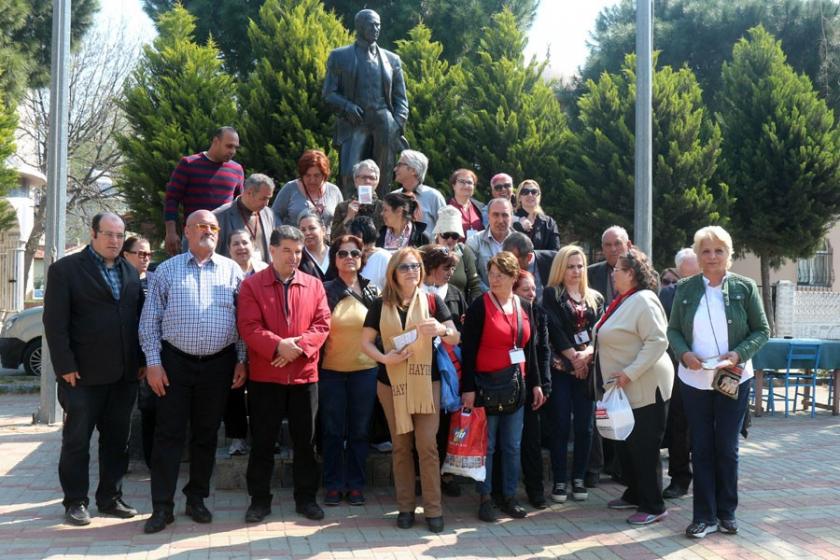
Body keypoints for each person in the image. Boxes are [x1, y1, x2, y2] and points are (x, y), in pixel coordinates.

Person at [140, 210, 248, 534]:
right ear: (186, 232)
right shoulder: (167, 270)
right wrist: (153, 363)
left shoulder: (232, 271)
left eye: (213, 227)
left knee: (205, 435)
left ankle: (197, 499)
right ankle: (162, 507)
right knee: (168, 435)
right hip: (174, 364)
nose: (208, 231)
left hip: (219, 365)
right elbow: (149, 321)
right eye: (200, 226)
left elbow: (242, 323)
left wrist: (241, 359)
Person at [667, 226, 769, 539]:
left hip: (733, 378)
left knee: (726, 447)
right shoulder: (685, 289)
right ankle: (704, 516)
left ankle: (727, 513)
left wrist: (738, 354)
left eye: (718, 251)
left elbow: (762, 330)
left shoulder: (745, 286)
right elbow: (673, 332)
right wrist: (685, 355)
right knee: (701, 447)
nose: (712, 257)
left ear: (728, 254)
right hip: (694, 380)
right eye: (706, 251)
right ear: (698, 256)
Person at [43, 213, 144, 526]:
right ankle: (75, 501)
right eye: (108, 234)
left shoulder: (130, 272)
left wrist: (140, 362)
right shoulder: (66, 270)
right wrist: (65, 366)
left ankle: (110, 498)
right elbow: (54, 323)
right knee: (77, 440)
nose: (114, 241)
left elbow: (137, 320)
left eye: (119, 235)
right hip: (82, 376)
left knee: (117, 441)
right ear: (93, 234)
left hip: (124, 375)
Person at [360, 248, 460, 534]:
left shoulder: (432, 301)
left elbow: (456, 336)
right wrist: (385, 358)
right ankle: (405, 508)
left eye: (416, 266)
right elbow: (365, 342)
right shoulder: (380, 305)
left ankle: (433, 509)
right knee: (401, 446)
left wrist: (441, 329)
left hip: (427, 384)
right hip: (390, 384)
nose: (412, 271)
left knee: (427, 445)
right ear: (393, 272)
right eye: (405, 267)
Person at [237, 226, 332, 523]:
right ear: (273, 250)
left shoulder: (314, 285)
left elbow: (322, 324)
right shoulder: (252, 285)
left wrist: (299, 347)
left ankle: (306, 498)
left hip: (304, 376)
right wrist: (278, 345)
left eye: (298, 251)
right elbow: (248, 327)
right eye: (287, 250)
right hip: (266, 377)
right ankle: (259, 500)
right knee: (263, 441)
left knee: (306, 441)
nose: (294, 257)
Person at [460, 252, 546, 522]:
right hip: (486, 386)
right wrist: (468, 388)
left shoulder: (524, 305)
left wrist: (536, 384)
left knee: (512, 445)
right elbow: (469, 350)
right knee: (488, 445)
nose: (494, 279)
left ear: (513, 277)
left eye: (500, 274)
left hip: (516, 386)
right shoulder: (479, 305)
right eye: (491, 273)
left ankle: (508, 496)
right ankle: (485, 497)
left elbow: (529, 348)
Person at [594, 248, 673, 526]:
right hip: (624, 389)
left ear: (631, 273)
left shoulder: (644, 300)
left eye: (617, 269)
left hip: (645, 386)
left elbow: (657, 341)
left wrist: (628, 373)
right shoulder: (624, 300)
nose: (612, 272)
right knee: (627, 445)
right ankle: (635, 492)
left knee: (644, 447)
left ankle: (654, 504)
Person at [319, 235, 381, 506]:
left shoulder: (373, 291)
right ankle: (332, 483)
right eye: (343, 253)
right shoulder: (323, 290)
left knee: (359, 430)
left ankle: (355, 484)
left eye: (355, 253)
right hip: (330, 370)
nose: (349, 258)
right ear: (335, 259)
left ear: (362, 258)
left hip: (365, 371)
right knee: (332, 430)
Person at [323, 8, 409, 197]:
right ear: (360, 26)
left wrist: (396, 124)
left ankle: (382, 215)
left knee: (384, 174)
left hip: (384, 121)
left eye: (378, 25)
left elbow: (401, 99)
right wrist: (347, 106)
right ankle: (352, 215)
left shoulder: (392, 59)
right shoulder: (340, 56)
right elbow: (329, 93)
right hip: (354, 121)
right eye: (371, 24)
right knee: (348, 172)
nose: (376, 28)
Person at [541, 245, 603, 504]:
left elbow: (600, 329)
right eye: (570, 266)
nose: (576, 271)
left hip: (587, 368)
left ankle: (578, 477)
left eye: (579, 266)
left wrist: (586, 354)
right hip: (561, 369)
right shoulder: (551, 294)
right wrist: (573, 357)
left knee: (585, 426)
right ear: (560, 268)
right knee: (560, 425)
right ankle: (559, 480)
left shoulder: (595, 297)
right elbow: (553, 329)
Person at [585, 224, 632, 487]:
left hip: (629, 358)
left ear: (628, 244)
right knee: (602, 410)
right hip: (599, 356)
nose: (613, 249)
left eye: (618, 244)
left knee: (625, 412)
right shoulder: (591, 275)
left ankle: (621, 468)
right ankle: (600, 465)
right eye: (608, 245)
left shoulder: (640, 274)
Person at [420, 245, 467, 498]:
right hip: (421, 367)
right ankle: (423, 474)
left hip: (449, 369)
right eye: (445, 267)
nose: (451, 272)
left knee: (447, 421)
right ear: (430, 268)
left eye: (452, 267)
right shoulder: (414, 293)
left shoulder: (456, 293)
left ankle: (445, 473)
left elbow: (460, 332)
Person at [658, 247, 700, 500]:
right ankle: (679, 478)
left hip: (711, 370)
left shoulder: (714, 292)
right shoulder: (667, 295)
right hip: (678, 369)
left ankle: (711, 477)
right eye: (687, 277)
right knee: (678, 426)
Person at [164, 126, 244, 255]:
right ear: (216, 141)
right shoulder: (189, 164)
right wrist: (170, 232)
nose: (233, 151)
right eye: (229, 146)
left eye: (235, 148)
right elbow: (171, 199)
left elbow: (239, 205)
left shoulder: (237, 169)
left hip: (225, 238)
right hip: (196, 235)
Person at [224, 230, 269, 458]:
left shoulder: (265, 270)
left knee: (263, 393)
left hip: (263, 338)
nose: (241, 247)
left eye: (244, 242)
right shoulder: (224, 272)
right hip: (233, 340)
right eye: (235, 244)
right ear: (229, 248)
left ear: (253, 244)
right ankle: (237, 439)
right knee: (234, 390)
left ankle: (266, 437)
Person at [512, 269, 552, 509]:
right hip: (506, 384)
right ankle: (503, 491)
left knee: (532, 441)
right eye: (525, 290)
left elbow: (544, 350)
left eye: (533, 289)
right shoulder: (507, 311)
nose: (531, 294)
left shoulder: (538, 312)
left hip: (532, 384)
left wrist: (543, 384)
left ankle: (535, 490)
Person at [120, 236, 156, 469]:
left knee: (151, 410)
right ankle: (119, 464)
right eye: (140, 254)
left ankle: (153, 461)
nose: (145, 259)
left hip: (152, 357)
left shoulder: (156, 279)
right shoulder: (117, 280)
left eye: (149, 255)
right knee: (121, 414)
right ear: (126, 255)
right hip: (123, 357)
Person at [272, 150, 343, 236]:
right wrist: (283, 234)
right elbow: (274, 214)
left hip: (326, 245)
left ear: (324, 175)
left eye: (317, 175)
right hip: (295, 244)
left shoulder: (334, 191)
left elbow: (340, 220)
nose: (312, 180)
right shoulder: (290, 188)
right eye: (307, 175)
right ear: (301, 175)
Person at [213, 173, 275, 263]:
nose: (266, 204)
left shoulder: (269, 213)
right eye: (263, 198)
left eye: (269, 198)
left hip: (263, 274)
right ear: (249, 192)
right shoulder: (220, 216)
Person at [433, 205, 482, 303]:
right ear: (438, 234)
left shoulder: (464, 252)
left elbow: (475, 286)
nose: (450, 240)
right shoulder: (427, 253)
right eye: (445, 235)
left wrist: (471, 312)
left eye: (455, 236)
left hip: (460, 311)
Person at [467, 198, 515, 291]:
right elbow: (472, 276)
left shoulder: (521, 242)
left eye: (505, 215)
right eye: (495, 215)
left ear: (511, 217)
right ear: (488, 216)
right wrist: (491, 295)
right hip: (484, 299)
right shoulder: (474, 241)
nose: (500, 220)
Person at [392, 150, 446, 232]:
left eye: (399, 165)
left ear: (413, 170)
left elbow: (445, 230)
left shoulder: (434, 197)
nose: (395, 169)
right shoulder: (392, 197)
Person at [331, 159, 385, 237]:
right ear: (355, 181)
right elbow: (334, 239)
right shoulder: (342, 207)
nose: (367, 181)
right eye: (363, 177)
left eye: (371, 177)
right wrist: (348, 217)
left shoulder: (383, 208)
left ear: (377, 182)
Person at [501, 232, 555, 304]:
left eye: (514, 260)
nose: (509, 264)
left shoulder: (554, 260)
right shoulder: (503, 267)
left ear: (529, 257)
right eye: (507, 258)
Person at [512, 180, 560, 251]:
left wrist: (534, 256)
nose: (530, 195)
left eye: (534, 192)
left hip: (542, 262)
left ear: (539, 196)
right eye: (525, 192)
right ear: (519, 197)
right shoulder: (511, 219)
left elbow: (555, 251)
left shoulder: (549, 223)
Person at [446, 168, 485, 239]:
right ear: (453, 186)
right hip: (453, 249)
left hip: (477, 249)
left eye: (469, 183)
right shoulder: (445, 206)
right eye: (461, 181)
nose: (466, 185)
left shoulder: (481, 207)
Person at [298, 212, 334, 281]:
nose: (307, 233)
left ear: (323, 230)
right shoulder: (298, 258)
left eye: (312, 228)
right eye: (303, 230)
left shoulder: (337, 254)